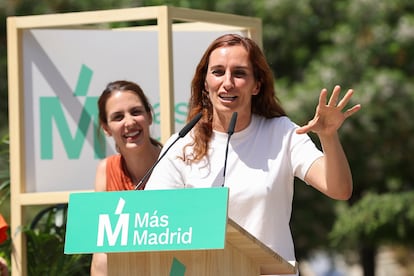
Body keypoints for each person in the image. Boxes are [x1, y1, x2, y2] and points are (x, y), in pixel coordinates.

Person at [145, 34, 361, 275]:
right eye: (217, 72)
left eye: (239, 73)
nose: (227, 83)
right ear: (205, 82)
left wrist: (328, 137)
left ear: (256, 84)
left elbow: (339, 189)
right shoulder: (181, 144)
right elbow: (154, 222)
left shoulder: (281, 133)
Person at [90, 80, 162, 276]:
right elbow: (102, 251)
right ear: (106, 127)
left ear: (149, 116)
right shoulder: (105, 170)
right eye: (118, 117)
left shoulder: (176, 163)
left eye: (136, 112)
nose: (129, 122)